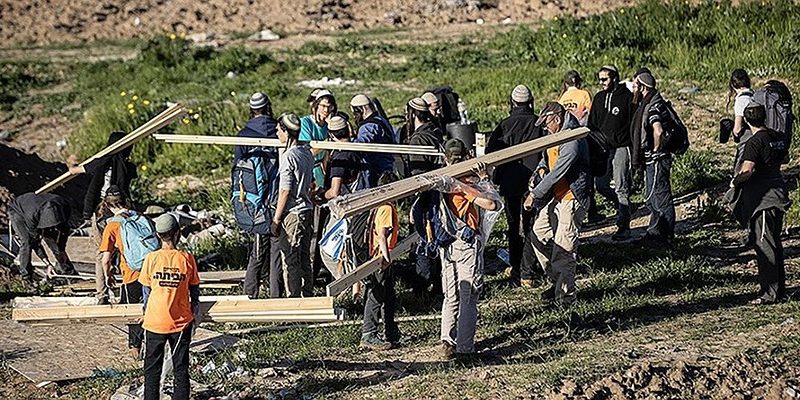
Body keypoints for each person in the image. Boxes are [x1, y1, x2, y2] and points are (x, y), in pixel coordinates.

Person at [436, 138, 500, 359]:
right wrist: (484, 180)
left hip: (445, 244)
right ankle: (464, 348)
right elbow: (491, 204)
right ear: (464, 156)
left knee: (450, 295)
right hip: (465, 244)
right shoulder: (462, 184)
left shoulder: (439, 179)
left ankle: (447, 340)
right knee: (469, 296)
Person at [524, 102, 591, 306]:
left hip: (571, 199)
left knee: (564, 249)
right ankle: (556, 283)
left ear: (557, 119)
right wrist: (538, 172)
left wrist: (534, 195)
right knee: (538, 236)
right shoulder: (555, 135)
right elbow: (546, 160)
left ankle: (566, 300)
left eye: (547, 124)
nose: (545, 128)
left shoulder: (572, 139)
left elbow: (558, 172)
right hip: (557, 197)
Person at [729, 102, 790, 304]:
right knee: (775, 244)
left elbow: (747, 170)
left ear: (746, 120)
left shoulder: (755, 142)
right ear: (764, 117)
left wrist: (734, 182)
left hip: (763, 200)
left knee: (764, 246)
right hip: (779, 192)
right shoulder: (776, 137)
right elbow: (786, 158)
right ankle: (779, 289)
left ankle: (769, 294)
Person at [69, 131, 137, 304]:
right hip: (120, 210)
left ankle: (102, 295)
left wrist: (73, 169)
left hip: (101, 211)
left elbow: (81, 169)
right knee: (125, 250)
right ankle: (127, 291)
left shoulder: (101, 162)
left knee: (101, 254)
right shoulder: (127, 167)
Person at [486, 84, 542, 287]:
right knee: (530, 226)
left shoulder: (504, 124)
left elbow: (491, 153)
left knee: (512, 226)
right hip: (532, 183)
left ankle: (516, 267)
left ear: (512, 103)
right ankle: (528, 270)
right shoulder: (537, 123)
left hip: (510, 182)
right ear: (530, 102)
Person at [139, 213, 200, 400]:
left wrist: (145, 312)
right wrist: (194, 310)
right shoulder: (186, 259)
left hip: (154, 322)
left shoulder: (151, 259)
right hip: (180, 323)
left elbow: (146, 292)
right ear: (177, 234)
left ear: (158, 235)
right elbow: (194, 289)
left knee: (151, 371)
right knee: (180, 369)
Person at [235, 92, 283, 299]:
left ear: (252, 109)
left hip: (255, 201)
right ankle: (276, 296)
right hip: (278, 196)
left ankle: (250, 295)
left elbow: (237, 170)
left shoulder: (243, 135)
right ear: (268, 107)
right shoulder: (279, 131)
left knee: (257, 251)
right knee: (276, 251)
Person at [318, 116, 370, 278]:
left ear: (331, 135)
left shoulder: (341, 158)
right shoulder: (356, 149)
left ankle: (346, 283)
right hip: (359, 203)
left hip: (344, 209)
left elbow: (334, 192)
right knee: (350, 249)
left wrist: (318, 194)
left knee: (328, 249)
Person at [587, 65, 635, 240]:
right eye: (599, 79)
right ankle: (625, 207)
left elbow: (633, 124)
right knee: (601, 185)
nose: (601, 83)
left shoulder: (627, 98)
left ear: (614, 78)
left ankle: (624, 226)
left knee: (621, 186)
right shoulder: (599, 98)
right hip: (602, 149)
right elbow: (592, 125)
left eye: (604, 79)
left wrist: (634, 150)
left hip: (621, 146)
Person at [404, 97, 445, 297]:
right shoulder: (434, 130)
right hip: (437, 195)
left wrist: (415, 204)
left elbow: (417, 178)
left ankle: (423, 286)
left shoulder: (418, 140)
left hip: (426, 197)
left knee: (423, 239)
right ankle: (438, 282)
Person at [272, 113, 315, 297]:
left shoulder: (289, 157)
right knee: (304, 257)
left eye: (279, 130)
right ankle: (308, 295)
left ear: (286, 132)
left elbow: (285, 191)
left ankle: (294, 300)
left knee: (290, 259)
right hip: (306, 209)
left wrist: (276, 219)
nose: (276, 133)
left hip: (293, 213)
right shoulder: (306, 152)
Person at [98, 186, 145, 357]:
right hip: (151, 271)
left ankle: (135, 348)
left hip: (131, 273)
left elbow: (105, 260)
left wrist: (109, 276)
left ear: (107, 205)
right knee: (150, 307)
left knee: (132, 311)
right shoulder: (140, 217)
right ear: (126, 201)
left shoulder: (112, 226)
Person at [631, 72, 676, 244]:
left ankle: (665, 236)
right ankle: (655, 232)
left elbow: (658, 130)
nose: (633, 88)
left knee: (661, 197)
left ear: (643, 87)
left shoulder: (654, 106)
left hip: (657, 158)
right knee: (651, 198)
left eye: (635, 85)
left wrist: (656, 150)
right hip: (652, 157)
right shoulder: (647, 102)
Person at [360, 172, 402, 350]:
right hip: (380, 258)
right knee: (376, 295)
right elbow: (382, 236)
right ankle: (369, 333)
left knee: (388, 296)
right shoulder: (385, 208)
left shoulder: (378, 206)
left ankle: (390, 332)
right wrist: (386, 258)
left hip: (381, 257)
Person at [300, 89, 336, 286]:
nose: (326, 109)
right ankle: (309, 278)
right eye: (323, 105)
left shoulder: (330, 125)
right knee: (312, 232)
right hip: (312, 180)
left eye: (329, 106)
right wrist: (326, 143)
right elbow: (308, 152)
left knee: (323, 228)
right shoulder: (307, 123)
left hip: (327, 180)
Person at [8, 192, 77, 279]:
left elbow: (64, 230)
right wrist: (47, 264)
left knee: (54, 241)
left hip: (38, 209)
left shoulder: (64, 206)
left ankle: (69, 273)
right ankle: (26, 276)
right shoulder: (32, 217)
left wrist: (62, 249)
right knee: (26, 242)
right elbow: (35, 243)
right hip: (18, 211)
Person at [350, 94, 396, 188]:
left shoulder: (368, 127)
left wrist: (350, 138)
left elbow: (360, 146)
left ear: (362, 109)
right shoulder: (381, 120)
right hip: (388, 166)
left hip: (374, 172)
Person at [727, 69, 755, 172]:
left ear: (733, 85)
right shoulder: (755, 95)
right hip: (760, 136)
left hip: (747, 139)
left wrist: (732, 132)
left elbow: (737, 129)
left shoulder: (741, 100)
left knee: (740, 171)